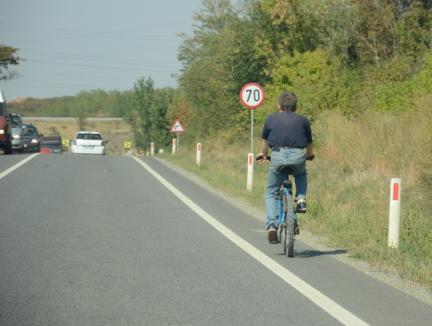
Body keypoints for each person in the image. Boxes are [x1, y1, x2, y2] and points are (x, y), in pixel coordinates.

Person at [256, 91, 314, 243]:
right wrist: (309, 155)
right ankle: (301, 199)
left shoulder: (271, 119)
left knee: (271, 192)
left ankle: (272, 227)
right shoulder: (303, 120)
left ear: (278, 106)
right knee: (301, 174)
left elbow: (265, 143)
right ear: (296, 107)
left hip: (278, 155)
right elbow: (309, 144)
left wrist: (263, 154)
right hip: (298, 156)